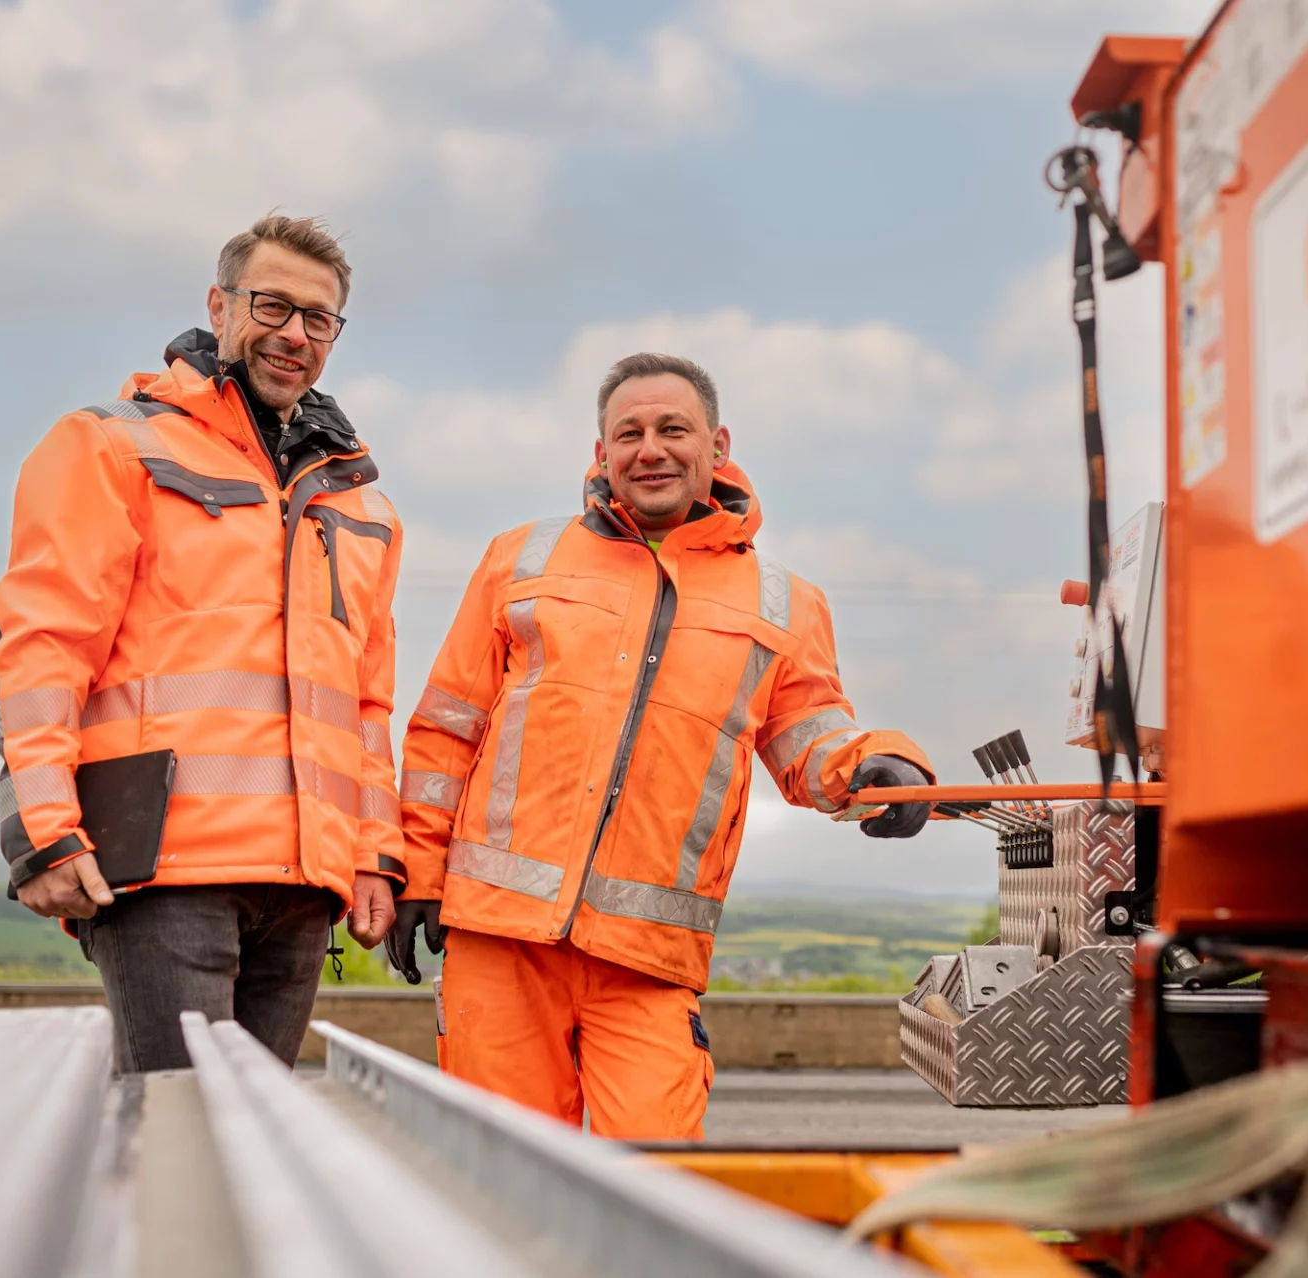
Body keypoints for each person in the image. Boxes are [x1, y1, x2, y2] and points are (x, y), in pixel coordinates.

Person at [392, 352, 933, 1139]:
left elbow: (810, 733)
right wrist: (419, 872)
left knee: (656, 1190)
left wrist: (877, 767)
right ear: (601, 453)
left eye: (672, 429)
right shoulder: (519, 559)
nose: (650, 449)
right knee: (499, 1180)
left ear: (716, 447)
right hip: (500, 943)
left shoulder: (785, 601)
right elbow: (447, 728)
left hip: (648, 959)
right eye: (629, 433)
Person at [0, 215, 404, 1071]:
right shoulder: (112, 445)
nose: (294, 333)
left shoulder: (362, 507)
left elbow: (366, 707)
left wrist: (372, 855)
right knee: (175, 1138)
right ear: (220, 307)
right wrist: (43, 831)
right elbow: (41, 647)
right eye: (273, 305)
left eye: (317, 319)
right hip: (164, 869)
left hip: (302, 888)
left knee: (247, 1150)